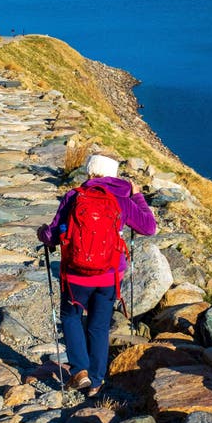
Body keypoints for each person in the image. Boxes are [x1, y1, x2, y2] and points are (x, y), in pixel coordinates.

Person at [37, 154, 156, 395]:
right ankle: (97, 381)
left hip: (75, 274)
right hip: (109, 275)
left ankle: (79, 370)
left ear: (90, 172)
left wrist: (42, 234)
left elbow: (53, 234)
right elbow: (149, 227)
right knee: (99, 326)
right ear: (113, 175)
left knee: (71, 317)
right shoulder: (121, 200)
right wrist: (137, 196)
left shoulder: (74, 196)